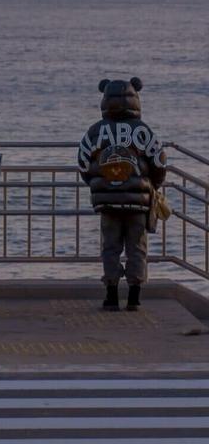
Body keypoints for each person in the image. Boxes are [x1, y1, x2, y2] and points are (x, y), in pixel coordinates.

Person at [77, 77, 166, 311]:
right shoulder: (143, 131)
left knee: (110, 247)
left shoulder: (95, 132)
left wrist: (99, 185)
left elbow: (83, 164)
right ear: (135, 97)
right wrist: (152, 186)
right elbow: (159, 163)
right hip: (138, 203)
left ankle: (111, 295)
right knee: (137, 247)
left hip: (107, 202)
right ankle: (135, 296)